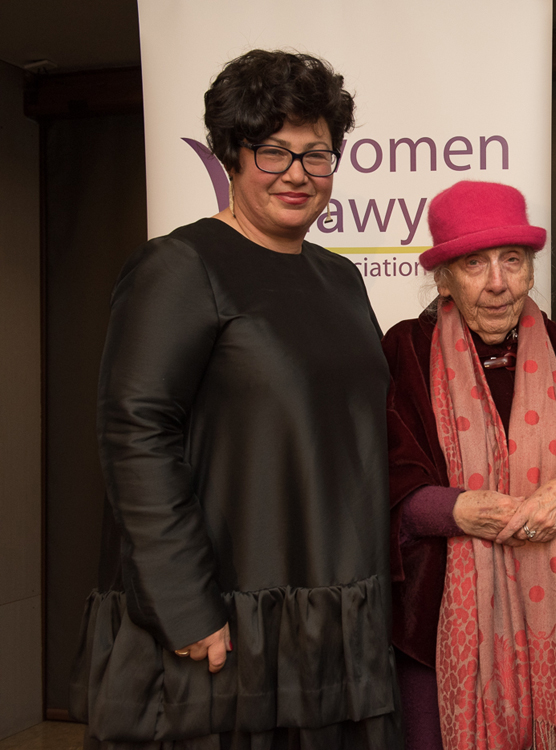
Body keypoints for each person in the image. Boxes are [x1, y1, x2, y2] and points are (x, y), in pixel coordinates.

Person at [69, 50, 401, 748]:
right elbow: (135, 434)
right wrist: (184, 605)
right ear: (230, 154)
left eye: (317, 155)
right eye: (272, 151)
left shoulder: (340, 279)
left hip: (336, 611)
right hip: (227, 624)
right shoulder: (181, 266)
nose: (297, 174)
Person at [383, 180, 556, 750]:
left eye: (512, 260)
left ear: (532, 270)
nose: (497, 283)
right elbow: (380, 481)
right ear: (443, 278)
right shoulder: (404, 353)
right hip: (439, 620)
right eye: (474, 263)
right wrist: (455, 510)